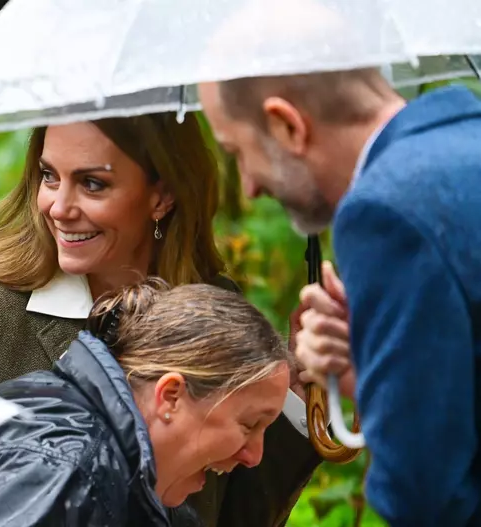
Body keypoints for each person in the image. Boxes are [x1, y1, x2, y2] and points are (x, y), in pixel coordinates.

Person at [0, 113, 321, 526]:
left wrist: (291, 396)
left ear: (162, 195)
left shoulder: (212, 309)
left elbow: (232, 516)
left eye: (92, 184)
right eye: (49, 176)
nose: (58, 207)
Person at [198, 70, 481, 525]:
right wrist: (378, 369)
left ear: (286, 125)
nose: (249, 186)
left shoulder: (385, 209)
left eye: (239, 153)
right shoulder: (467, 138)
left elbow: (422, 493)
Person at [0, 279, 292, 527]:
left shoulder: (129, 481)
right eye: (249, 424)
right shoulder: (62, 464)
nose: (253, 456)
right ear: (170, 395)